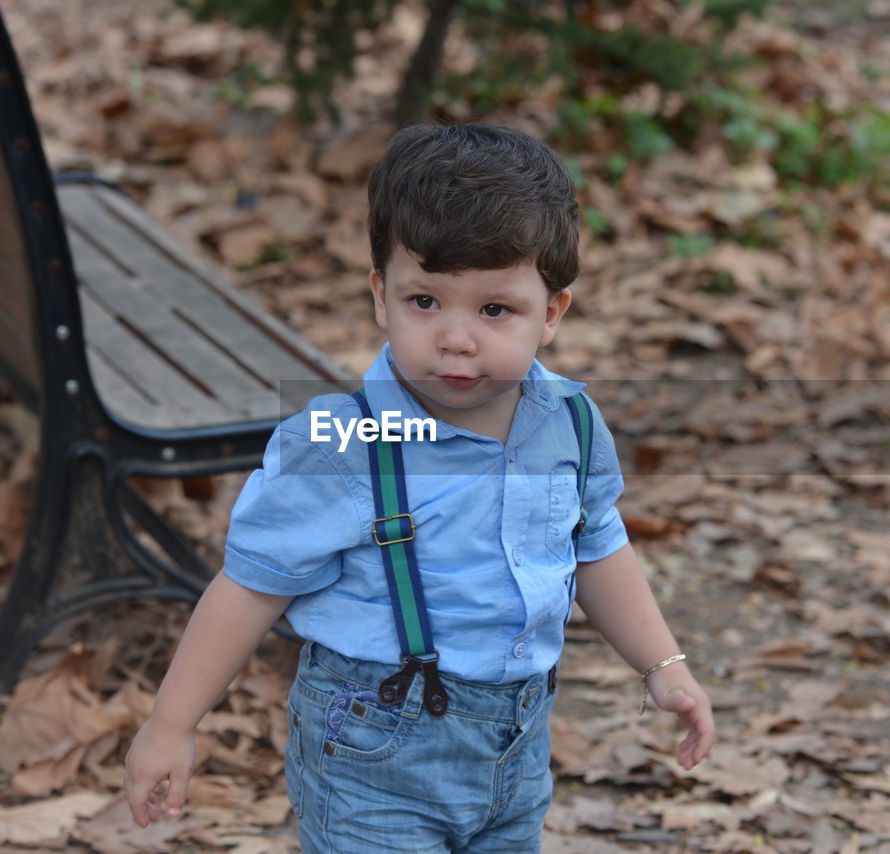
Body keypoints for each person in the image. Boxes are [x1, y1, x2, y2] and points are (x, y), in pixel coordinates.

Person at [124, 122, 715, 853]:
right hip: (374, 757)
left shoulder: (570, 423)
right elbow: (250, 585)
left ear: (551, 313)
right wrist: (171, 725)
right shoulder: (344, 443)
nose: (456, 339)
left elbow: (595, 546)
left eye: (494, 310)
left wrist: (664, 665)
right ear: (381, 296)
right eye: (425, 302)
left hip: (517, 746)